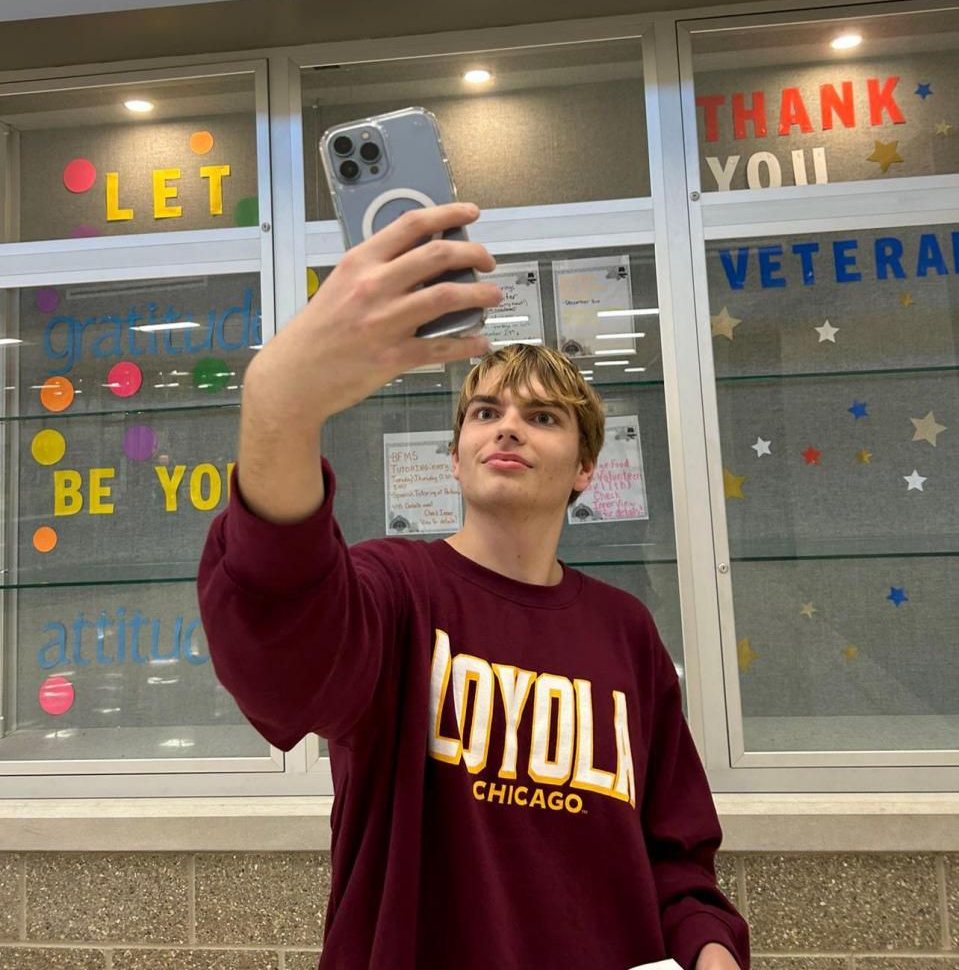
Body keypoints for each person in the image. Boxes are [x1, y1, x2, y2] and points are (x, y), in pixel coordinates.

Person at [197, 200, 750, 970]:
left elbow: (674, 851)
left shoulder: (625, 630)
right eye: (486, 411)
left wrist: (708, 944)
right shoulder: (393, 591)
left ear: (585, 468)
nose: (508, 427)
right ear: (455, 458)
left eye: (543, 417)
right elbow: (278, 650)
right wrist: (278, 407)